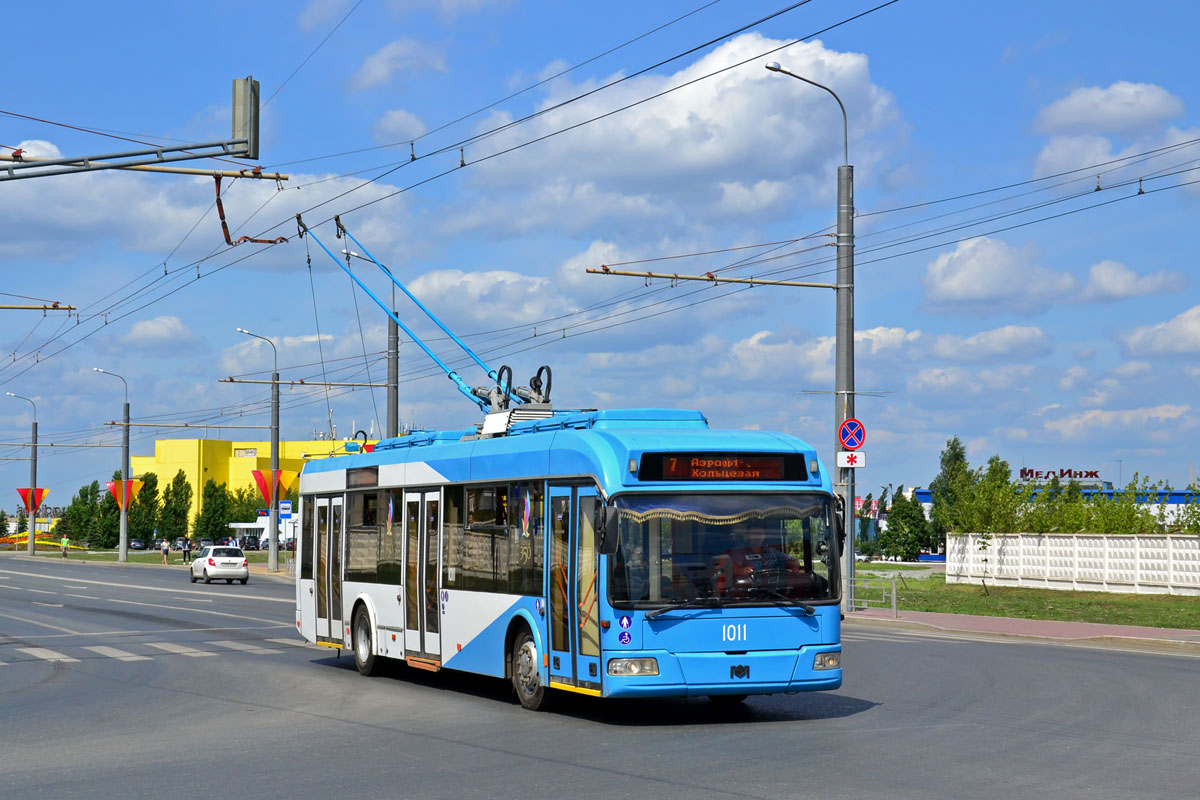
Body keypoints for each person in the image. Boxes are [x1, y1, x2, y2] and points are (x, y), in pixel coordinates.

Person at [714, 522, 794, 597]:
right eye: (753, 534)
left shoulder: (772, 552)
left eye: (760, 534)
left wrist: (794, 568)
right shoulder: (740, 552)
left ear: (764, 535)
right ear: (748, 536)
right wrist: (741, 570)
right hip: (748, 597)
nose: (757, 537)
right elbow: (734, 566)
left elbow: (792, 562)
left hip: (777, 594)